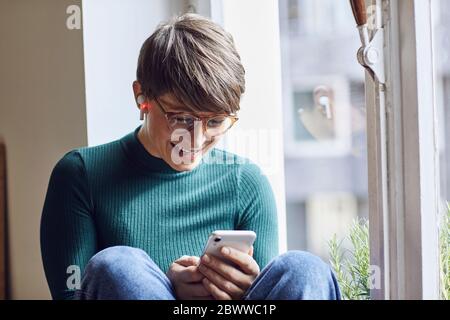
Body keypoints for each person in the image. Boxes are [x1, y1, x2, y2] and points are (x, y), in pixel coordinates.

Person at [40, 13, 341, 300]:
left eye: (214, 122)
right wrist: (168, 288)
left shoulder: (246, 183)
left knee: (306, 270)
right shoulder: (81, 174)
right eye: (181, 118)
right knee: (118, 266)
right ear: (141, 97)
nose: (195, 140)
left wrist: (241, 292)